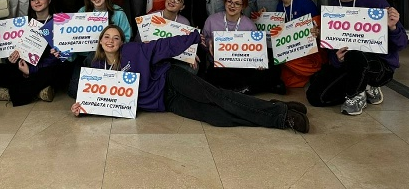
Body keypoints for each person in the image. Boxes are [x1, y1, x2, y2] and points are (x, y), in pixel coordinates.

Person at [70, 25, 309, 133]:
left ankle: (282, 117)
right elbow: (102, 99)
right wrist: (84, 108)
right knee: (217, 118)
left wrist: (193, 37)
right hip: (166, 102)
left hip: (170, 79)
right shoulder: (97, 67)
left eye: (116, 37)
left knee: (218, 97)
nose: (111, 41)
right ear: (100, 42)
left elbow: (164, 46)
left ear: (122, 42)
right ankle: (274, 107)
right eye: (106, 37)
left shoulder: (133, 50)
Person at [306, 0, 408, 115]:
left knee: (355, 55)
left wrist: (393, 27)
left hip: (379, 67)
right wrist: (337, 58)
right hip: (349, 64)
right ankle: (363, 86)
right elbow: (333, 53)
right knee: (315, 97)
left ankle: (356, 94)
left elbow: (402, 44)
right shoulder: (333, 10)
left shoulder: (376, 3)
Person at [0, 0, 73, 105]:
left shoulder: (59, 22)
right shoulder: (25, 23)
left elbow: (57, 58)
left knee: (54, 71)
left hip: (46, 68)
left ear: (49, 0)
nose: (37, 2)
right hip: (24, 68)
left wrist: (31, 70)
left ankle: (12, 93)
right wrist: (13, 58)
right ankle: (40, 92)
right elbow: (19, 50)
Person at [200, 0, 284, 95]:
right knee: (213, 74)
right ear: (225, 2)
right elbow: (202, 45)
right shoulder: (212, 20)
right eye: (229, 1)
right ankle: (251, 88)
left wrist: (260, 61)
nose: (232, 6)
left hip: (243, 67)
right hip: (221, 66)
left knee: (274, 66)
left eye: (237, 3)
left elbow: (256, 51)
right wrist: (209, 43)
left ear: (243, 6)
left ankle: (241, 88)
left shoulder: (249, 24)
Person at [67, 0, 133, 98]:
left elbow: (126, 38)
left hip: (111, 57)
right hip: (86, 58)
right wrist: (64, 51)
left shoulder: (118, 13)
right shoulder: (82, 12)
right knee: (74, 91)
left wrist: (111, 47)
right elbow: (74, 40)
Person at [263, 0, 323, 87]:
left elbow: (319, 32)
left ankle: (316, 72)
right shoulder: (279, 7)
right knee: (284, 78)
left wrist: (316, 32)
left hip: (311, 52)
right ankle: (309, 77)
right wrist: (264, 17)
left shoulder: (305, 3)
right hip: (293, 52)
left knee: (280, 57)